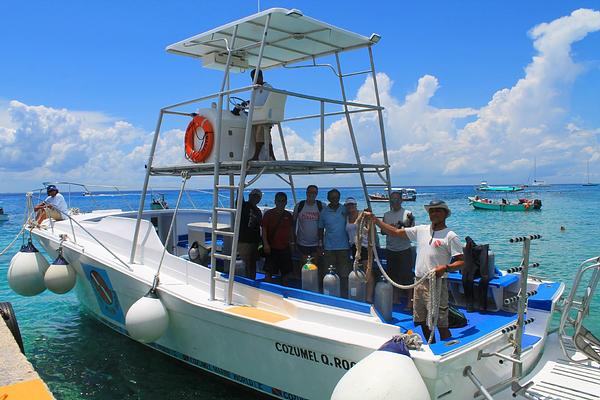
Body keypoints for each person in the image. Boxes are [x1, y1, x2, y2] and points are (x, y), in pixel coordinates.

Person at [368, 199, 463, 342]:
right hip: (418, 281)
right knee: (421, 320)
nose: (434, 213)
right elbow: (394, 232)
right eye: (432, 211)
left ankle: (447, 347)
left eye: (438, 210)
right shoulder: (421, 230)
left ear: (445, 214)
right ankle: (431, 344)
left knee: (440, 321)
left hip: (436, 283)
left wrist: (446, 267)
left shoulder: (450, 236)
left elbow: (461, 261)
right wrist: (375, 221)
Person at [382, 191, 415, 308]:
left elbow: (411, 233)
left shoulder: (408, 214)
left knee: (407, 277)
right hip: (391, 249)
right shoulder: (386, 215)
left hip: (404, 249)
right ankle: (395, 299)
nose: (394, 202)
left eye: (397, 200)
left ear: (401, 200)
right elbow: (382, 231)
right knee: (392, 276)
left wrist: (400, 228)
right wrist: (391, 228)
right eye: (392, 200)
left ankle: (410, 302)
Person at [318, 189, 350, 297]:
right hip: (329, 247)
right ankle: (329, 293)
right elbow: (320, 229)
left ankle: (344, 295)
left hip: (344, 247)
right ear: (328, 199)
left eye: (336, 197)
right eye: (332, 197)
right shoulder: (324, 212)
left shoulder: (345, 209)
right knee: (328, 272)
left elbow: (355, 217)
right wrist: (320, 244)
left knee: (344, 273)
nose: (334, 199)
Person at [261, 192, 294, 285]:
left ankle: (285, 292)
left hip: (285, 247)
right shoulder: (268, 214)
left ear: (286, 202)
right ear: (275, 201)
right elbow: (264, 230)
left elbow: (291, 230)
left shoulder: (288, 215)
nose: (281, 203)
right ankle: (267, 291)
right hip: (272, 248)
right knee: (268, 273)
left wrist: (292, 243)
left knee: (286, 273)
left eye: (283, 201)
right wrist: (266, 244)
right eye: (279, 201)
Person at [292, 185, 323, 268]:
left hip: (316, 243)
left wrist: (321, 242)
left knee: (315, 266)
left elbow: (325, 224)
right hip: (302, 243)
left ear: (317, 194)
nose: (312, 194)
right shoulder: (299, 206)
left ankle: (314, 281)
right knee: (304, 266)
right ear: (306, 193)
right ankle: (304, 281)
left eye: (314, 192)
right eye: (310, 192)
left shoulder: (321, 206)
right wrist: (293, 241)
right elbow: (293, 224)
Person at [249, 69, 276, 161]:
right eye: (253, 78)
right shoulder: (256, 90)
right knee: (263, 134)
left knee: (260, 132)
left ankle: (256, 155)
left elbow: (262, 103)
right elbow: (256, 103)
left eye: (255, 78)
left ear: (260, 77)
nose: (254, 80)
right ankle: (271, 155)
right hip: (258, 116)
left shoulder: (267, 88)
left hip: (265, 116)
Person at [238, 189, 263, 280]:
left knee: (252, 264)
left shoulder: (258, 211)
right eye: (253, 195)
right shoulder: (243, 206)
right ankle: (247, 282)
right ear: (249, 196)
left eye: (257, 196)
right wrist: (241, 185)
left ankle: (252, 281)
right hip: (244, 241)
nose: (255, 198)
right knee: (246, 263)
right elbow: (239, 197)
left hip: (255, 242)